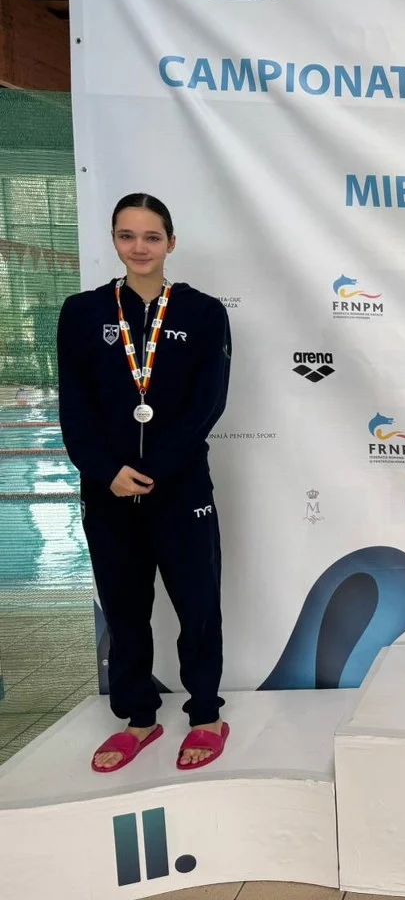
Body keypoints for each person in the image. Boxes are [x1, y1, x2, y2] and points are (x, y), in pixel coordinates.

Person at [57, 193, 232, 772]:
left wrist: (153, 470)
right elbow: (75, 406)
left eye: (152, 236)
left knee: (197, 606)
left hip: (180, 489)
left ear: (171, 243)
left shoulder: (203, 313)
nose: (139, 247)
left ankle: (206, 715)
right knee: (125, 609)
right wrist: (106, 472)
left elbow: (208, 403)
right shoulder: (82, 312)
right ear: (114, 240)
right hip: (108, 492)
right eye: (127, 236)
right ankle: (139, 718)